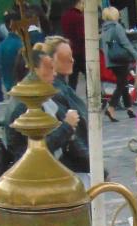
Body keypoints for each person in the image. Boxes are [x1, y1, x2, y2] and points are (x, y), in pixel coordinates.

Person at [4, 46, 82, 171]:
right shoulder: (25, 104)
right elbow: (37, 149)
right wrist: (67, 127)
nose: (55, 73)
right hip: (33, 174)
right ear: (34, 72)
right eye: (50, 68)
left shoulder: (43, 99)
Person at [44, 35, 90, 175]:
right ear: (51, 60)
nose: (72, 59)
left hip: (77, 162)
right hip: (72, 167)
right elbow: (72, 138)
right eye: (66, 56)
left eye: (71, 55)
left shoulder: (64, 87)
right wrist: (93, 165)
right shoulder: (56, 92)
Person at [100, 6, 137, 121]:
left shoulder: (105, 28)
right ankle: (111, 108)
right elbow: (125, 43)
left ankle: (129, 108)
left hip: (111, 60)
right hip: (121, 59)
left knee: (124, 82)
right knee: (121, 84)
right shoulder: (117, 27)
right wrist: (135, 55)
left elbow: (106, 45)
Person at [61, 0, 86, 90]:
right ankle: (91, 97)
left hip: (70, 50)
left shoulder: (64, 16)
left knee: (72, 79)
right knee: (90, 76)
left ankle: (71, 99)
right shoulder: (79, 17)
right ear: (78, 3)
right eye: (83, 3)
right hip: (80, 51)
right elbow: (81, 35)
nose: (84, 6)